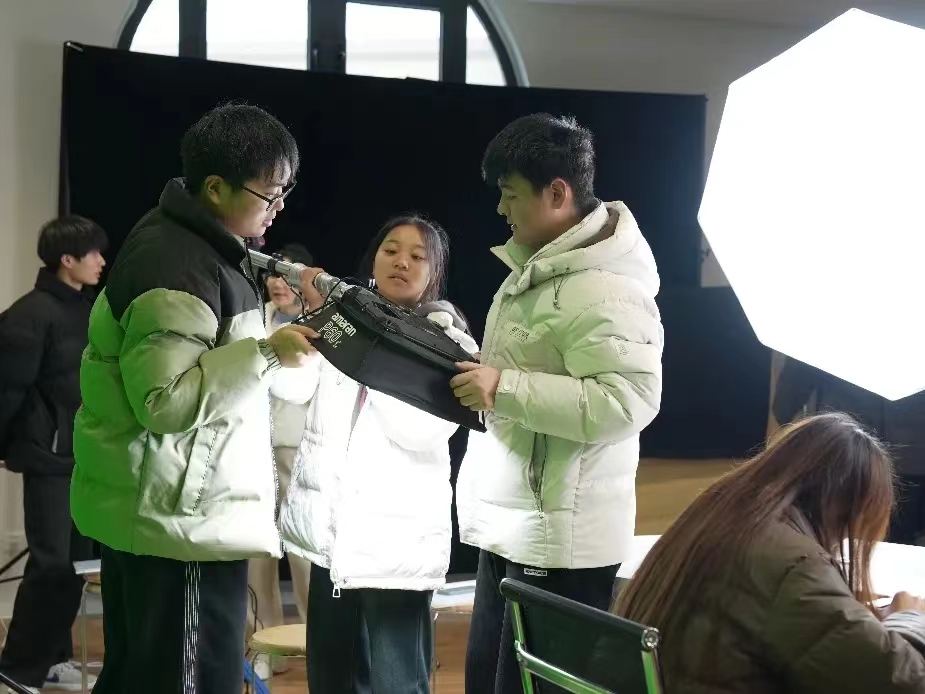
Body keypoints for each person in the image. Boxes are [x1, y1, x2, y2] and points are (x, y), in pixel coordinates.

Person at [69, 104, 324, 694]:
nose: (279, 206)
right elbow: (163, 401)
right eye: (270, 193)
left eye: (284, 192)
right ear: (215, 187)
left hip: (169, 515)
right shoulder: (176, 263)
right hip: (178, 526)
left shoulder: (195, 245)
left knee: (141, 676)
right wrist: (267, 354)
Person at [452, 113, 664, 694]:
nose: (502, 209)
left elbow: (628, 400)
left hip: (561, 543)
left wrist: (503, 387)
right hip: (518, 526)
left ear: (557, 193)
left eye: (510, 193)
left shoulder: (607, 286)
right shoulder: (540, 268)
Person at [279, 215, 477, 694]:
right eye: (391, 250)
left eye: (417, 256)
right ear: (374, 260)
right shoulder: (343, 323)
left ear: (434, 272)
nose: (401, 262)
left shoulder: (450, 343)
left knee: (398, 685)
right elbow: (291, 390)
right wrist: (303, 329)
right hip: (331, 542)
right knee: (331, 681)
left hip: (396, 553)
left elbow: (420, 431)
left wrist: (380, 346)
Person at [614, 412, 925, 693]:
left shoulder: (718, 514)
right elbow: (902, 683)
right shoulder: (792, 564)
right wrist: (909, 620)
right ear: (848, 507)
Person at [0, 216, 107, 693]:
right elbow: (7, 391)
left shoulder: (86, 311)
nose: (101, 261)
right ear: (67, 259)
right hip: (47, 460)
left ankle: (52, 658)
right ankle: (17, 669)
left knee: (74, 569)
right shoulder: (29, 315)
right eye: (93, 253)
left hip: (84, 460)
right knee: (50, 567)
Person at [247, 242, 316, 681]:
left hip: (295, 444)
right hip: (253, 444)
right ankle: (264, 643)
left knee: (301, 547)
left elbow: (298, 388)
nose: (278, 283)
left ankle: (315, 640)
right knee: (258, 548)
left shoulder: (316, 323)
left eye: (287, 276)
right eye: (273, 274)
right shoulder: (257, 318)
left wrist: (264, 361)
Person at [773, 356, 925, 545]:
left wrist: (787, 411)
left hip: (844, 451)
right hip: (911, 456)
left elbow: (788, 397)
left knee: (832, 539)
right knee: (905, 545)